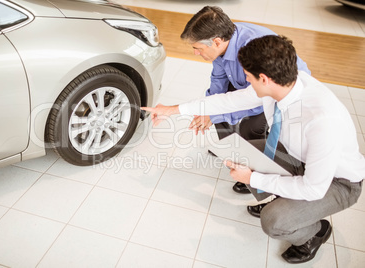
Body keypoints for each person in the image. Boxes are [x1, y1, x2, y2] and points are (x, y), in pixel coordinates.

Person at [142, 35, 364, 264]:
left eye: (248, 77)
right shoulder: (283, 85)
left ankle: (313, 232)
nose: (245, 81)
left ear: (264, 79)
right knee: (240, 151)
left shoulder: (322, 119)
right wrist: (172, 110)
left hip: (338, 182)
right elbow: (229, 101)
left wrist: (254, 178)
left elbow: (313, 189)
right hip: (301, 158)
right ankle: (283, 196)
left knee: (274, 221)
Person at [181, 6, 311, 195]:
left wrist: (217, 112)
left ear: (216, 42)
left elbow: (259, 97)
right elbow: (218, 80)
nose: (195, 53)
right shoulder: (222, 44)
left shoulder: (251, 47)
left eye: (197, 48)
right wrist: (210, 110)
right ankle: (235, 157)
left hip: (276, 89)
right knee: (217, 112)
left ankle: (257, 176)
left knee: (250, 127)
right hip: (250, 82)